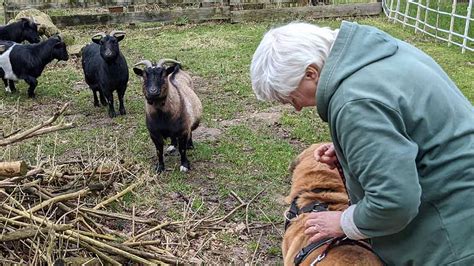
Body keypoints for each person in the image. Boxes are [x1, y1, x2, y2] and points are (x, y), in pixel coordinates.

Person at [250, 21, 474, 265]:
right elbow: (410, 123)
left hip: (453, 237)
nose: (296, 108)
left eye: (291, 97)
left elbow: (395, 203)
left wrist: (344, 222)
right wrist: (355, 148)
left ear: (311, 73)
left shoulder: (354, 102)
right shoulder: (383, 53)